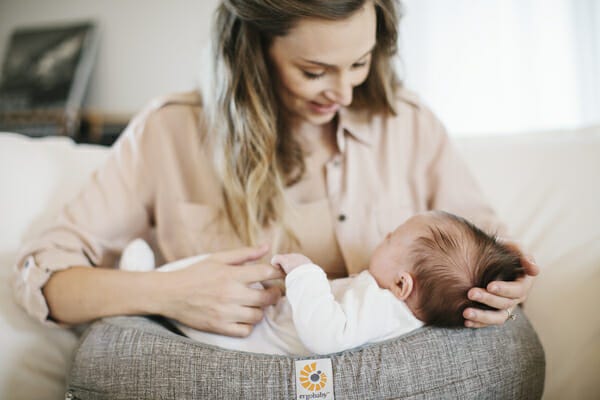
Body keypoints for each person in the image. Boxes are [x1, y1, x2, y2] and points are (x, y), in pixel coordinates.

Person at [12, 0, 538, 369]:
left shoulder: (408, 124)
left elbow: (489, 253)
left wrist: (506, 289)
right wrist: (169, 292)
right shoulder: (169, 132)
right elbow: (44, 280)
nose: (344, 92)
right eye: (314, 71)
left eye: (359, 63)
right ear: (254, 54)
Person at [120, 211, 524, 356]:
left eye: (389, 239)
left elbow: (326, 335)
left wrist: (305, 272)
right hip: (269, 321)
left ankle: (141, 286)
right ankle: (146, 285)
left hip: (247, 337)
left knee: (219, 280)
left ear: (403, 284)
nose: (380, 238)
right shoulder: (398, 312)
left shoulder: (383, 306)